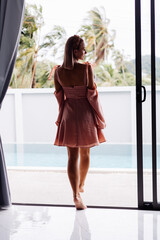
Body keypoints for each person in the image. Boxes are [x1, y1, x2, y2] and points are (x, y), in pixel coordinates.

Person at [53, 35, 106, 210]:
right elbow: (92, 95)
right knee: (85, 154)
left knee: (71, 157)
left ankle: (75, 195)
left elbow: (60, 98)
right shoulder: (86, 69)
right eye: (83, 48)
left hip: (69, 114)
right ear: (75, 51)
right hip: (84, 115)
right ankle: (81, 186)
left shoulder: (58, 72)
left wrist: (61, 117)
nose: (85, 51)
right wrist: (99, 117)